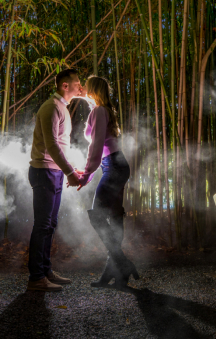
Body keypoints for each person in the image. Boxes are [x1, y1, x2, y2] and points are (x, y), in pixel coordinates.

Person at [69, 76, 139, 288]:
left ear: (93, 91)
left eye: (85, 88)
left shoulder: (99, 111)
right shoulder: (102, 109)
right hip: (115, 165)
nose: (82, 90)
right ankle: (116, 271)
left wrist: (87, 173)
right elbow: (101, 149)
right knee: (115, 217)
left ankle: (121, 263)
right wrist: (89, 173)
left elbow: (97, 145)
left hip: (114, 167)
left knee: (98, 216)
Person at [26, 68, 83, 292]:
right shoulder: (51, 107)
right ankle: (36, 278)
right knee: (42, 225)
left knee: (50, 225)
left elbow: (60, 145)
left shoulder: (62, 108)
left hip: (54, 171)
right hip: (44, 171)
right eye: (78, 83)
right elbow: (51, 145)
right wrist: (69, 172)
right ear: (64, 86)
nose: (81, 87)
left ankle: (45, 270)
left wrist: (68, 169)